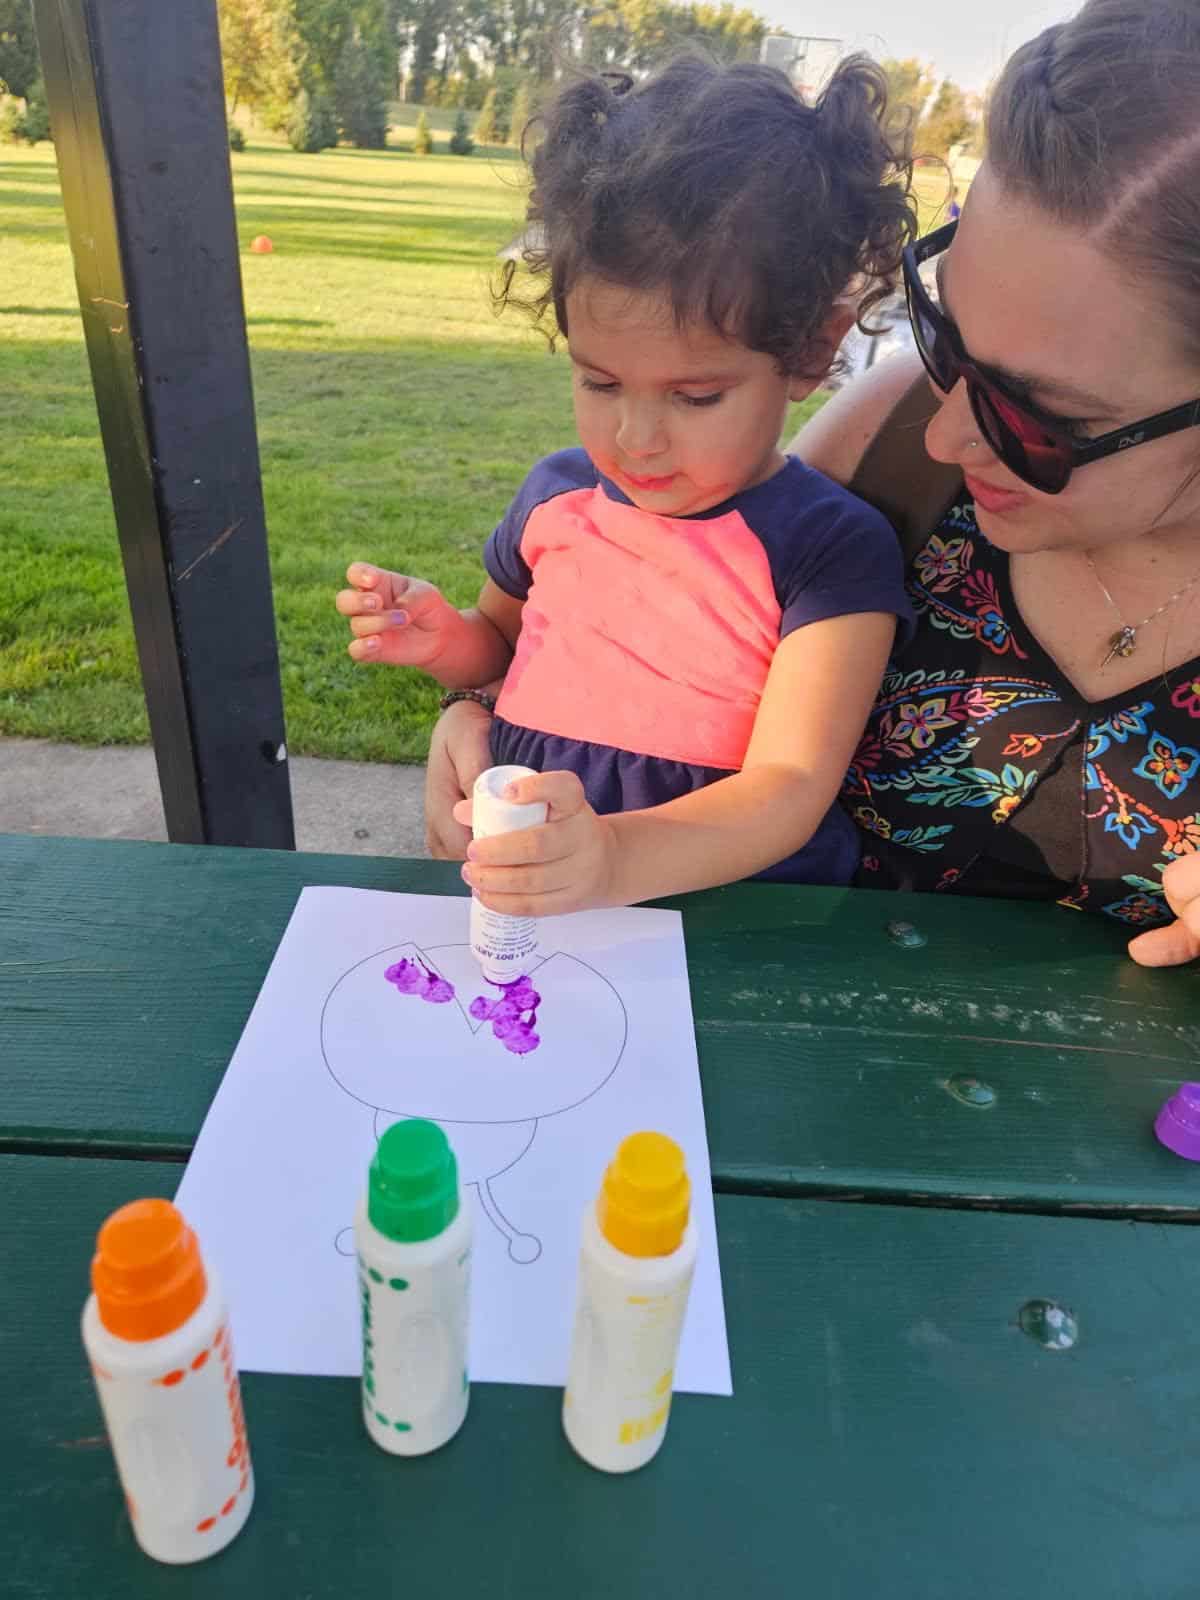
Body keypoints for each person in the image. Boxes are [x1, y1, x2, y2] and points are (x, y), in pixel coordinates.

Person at [418, 0, 1200, 968]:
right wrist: (477, 716)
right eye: (942, 336)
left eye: (1037, 417)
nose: (947, 432)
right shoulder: (885, 445)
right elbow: (638, 637)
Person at [337, 55, 916, 912]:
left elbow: (791, 784)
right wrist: (444, 639)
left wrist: (612, 858)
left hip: (731, 910)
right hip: (536, 885)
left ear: (809, 353)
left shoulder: (828, 546)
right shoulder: (557, 495)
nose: (634, 439)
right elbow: (499, 649)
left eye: (696, 396)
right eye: (600, 382)